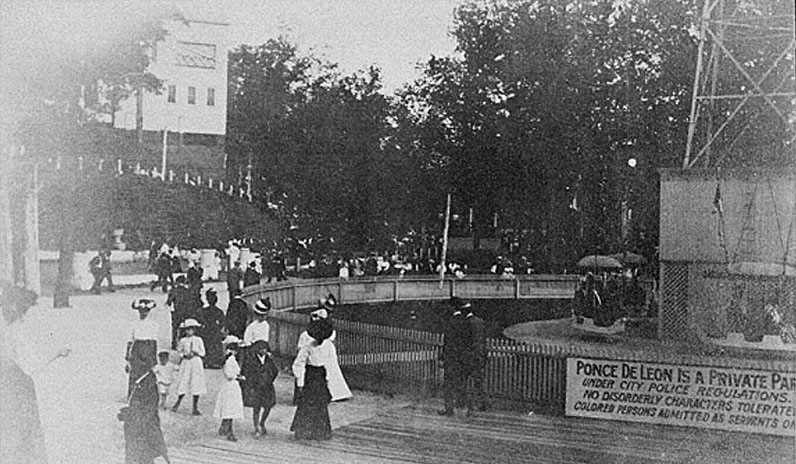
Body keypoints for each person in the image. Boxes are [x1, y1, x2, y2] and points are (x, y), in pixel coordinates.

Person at [1, 282, 70, 464]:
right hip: (17, 391)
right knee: (24, 440)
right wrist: (57, 353)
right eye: (29, 309)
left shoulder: (5, 331)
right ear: (18, 309)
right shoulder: (15, 334)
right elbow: (29, 365)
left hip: (6, 388)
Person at [297, 295, 351, 402]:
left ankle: (336, 392)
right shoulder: (320, 315)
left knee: (331, 368)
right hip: (320, 341)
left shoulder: (327, 320)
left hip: (325, 344)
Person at [291, 318, 334, 440]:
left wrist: (328, 379)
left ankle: (320, 431)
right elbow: (299, 363)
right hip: (311, 375)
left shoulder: (329, 346)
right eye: (317, 337)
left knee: (321, 404)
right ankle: (303, 430)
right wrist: (300, 382)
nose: (319, 340)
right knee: (307, 403)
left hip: (321, 375)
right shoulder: (308, 346)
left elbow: (331, 363)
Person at [122, 369, 170, 464]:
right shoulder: (140, 382)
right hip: (137, 426)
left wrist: (131, 415)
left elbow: (149, 409)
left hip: (143, 427)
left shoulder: (148, 384)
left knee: (144, 454)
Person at [438, 297, 469, 416]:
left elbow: (448, 343)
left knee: (449, 384)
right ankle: (462, 407)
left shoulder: (450, 321)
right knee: (461, 383)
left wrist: (443, 357)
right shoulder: (466, 320)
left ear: (452, 307)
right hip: (463, 357)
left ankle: (449, 409)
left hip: (451, 358)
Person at [241, 339, 279, 437]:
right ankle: (256, 426)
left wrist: (270, 380)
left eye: (265, 349)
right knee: (256, 407)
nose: (263, 351)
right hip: (256, 386)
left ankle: (262, 422)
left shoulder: (269, 359)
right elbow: (247, 371)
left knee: (268, 406)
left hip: (267, 386)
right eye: (261, 349)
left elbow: (275, 371)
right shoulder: (252, 359)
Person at [213, 335, 245, 442]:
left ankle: (223, 427)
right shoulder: (230, 360)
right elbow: (229, 375)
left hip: (231, 386)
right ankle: (229, 431)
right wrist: (239, 377)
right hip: (230, 386)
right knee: (230, 408)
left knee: (229, 407)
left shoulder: (231, 359)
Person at [172, 319, 207, 415]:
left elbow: (203, 353)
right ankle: (177, 402)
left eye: (190, 329)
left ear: (194, 330)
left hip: (196, 362)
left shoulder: (198, 340)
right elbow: (179, 351)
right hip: (186, 363)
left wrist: (197, 353)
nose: (188, 331)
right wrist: (184, 355)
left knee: (196, 383)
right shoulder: (183, 340)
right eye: (186, 330)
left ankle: (195, 407)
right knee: (184, 381)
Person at [126, 299, 159, 397]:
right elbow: (130, 341)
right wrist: (127, 355)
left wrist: (154, 357)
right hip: (137, 348)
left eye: (145, 311)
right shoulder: (134, 324)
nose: (143, 313)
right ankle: (132, 394)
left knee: (148, 371)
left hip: (148, 347)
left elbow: (154, 341)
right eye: (141, 311)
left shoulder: (153, 325)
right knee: (135, 371)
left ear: (149, 311)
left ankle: (146, 394)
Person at [463, 301, 489, 415]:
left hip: (468, 356)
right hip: (479, 355)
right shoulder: (480, 322)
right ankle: (483, 402)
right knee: (478, 381)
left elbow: (465, 342)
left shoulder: (465, 323)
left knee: (466, 382)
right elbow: (483, 340)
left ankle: (469, 406)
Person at [166, 276, 199, 349]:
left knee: (175, 328)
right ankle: (183, 342)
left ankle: (174, 343)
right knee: (184, 327)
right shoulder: (188, 291)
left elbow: (168, 302)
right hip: (185, 312)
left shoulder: (173, 290)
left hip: (176, 312)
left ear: (177, 282)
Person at [198, 289, 226, 369]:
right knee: (215, 345)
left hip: (206, 330)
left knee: (207, 345)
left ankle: (207, 361)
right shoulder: (219, 311)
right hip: (215, 330)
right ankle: (215, 361)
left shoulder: (203, 311)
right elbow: (222, 323)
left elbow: (200, 321)